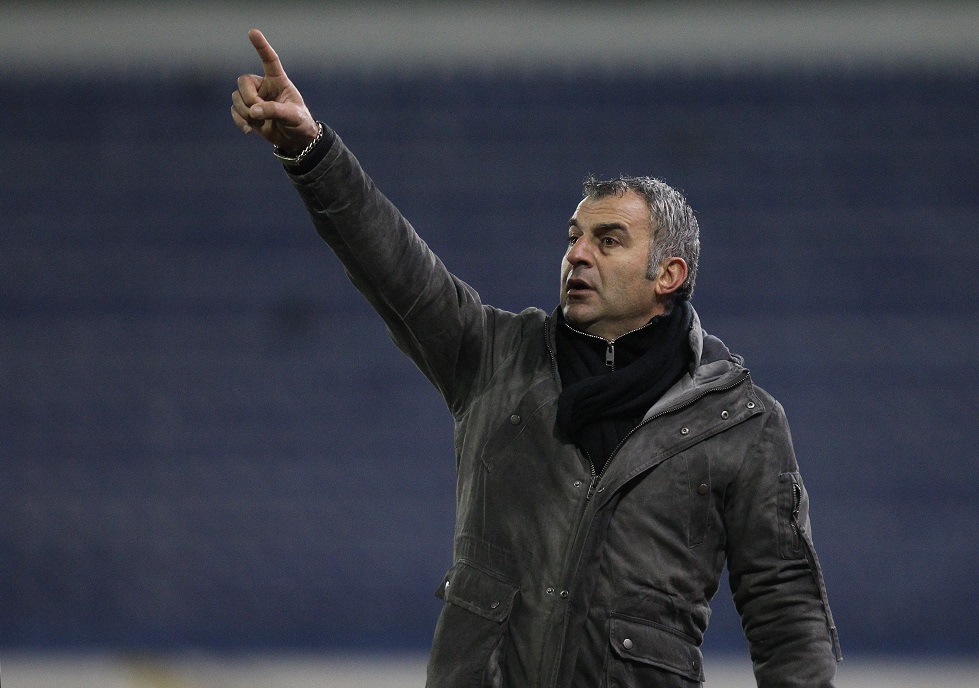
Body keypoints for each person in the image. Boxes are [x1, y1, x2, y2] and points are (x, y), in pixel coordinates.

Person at [231, 28, 841, 688]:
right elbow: (393, 267)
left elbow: (787, 612)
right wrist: (310, 150)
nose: (577, 254)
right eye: (574, 237)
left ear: (668, 275)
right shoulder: (493, 357)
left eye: (608, 240)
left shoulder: (741, 424)